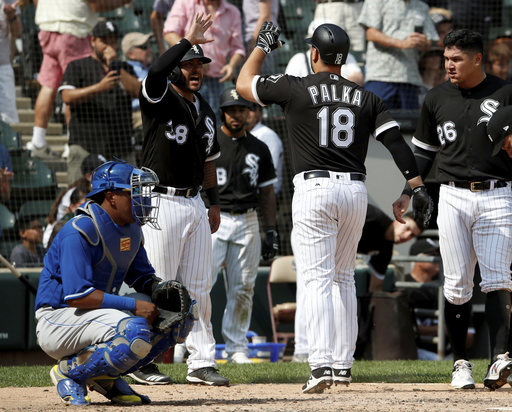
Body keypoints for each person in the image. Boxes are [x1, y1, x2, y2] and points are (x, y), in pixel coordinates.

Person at [237, 21, 433, 393]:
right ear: (343, 57)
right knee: (343, 277)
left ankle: (321, 363)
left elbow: (243, 83)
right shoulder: (366, 96)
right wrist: (414, 186)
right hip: (355, 192)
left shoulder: (296, 85)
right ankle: (342, 363)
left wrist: (263, 45)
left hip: (316, 190)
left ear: (314, 54)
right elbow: (396, 144)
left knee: (316, 278)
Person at [35, 159, 197, 406]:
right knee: (134, 330)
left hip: (95, 317)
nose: (143, 199)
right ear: (111, 197)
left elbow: (141, 277)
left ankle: (105, 376)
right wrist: (134, 307)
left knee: (181, 319)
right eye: (134, 193)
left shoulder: (131, 229)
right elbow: (77, 296)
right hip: (57, 320)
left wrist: (159, 290)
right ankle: (68, 371)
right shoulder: (79, 230)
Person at [407, 28, 512, 390]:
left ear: (477, 59)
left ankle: (500, 359)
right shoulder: (435, 97)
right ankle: (460, 363)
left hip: (498, 193)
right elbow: (423, 150)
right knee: (456, 286)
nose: (448, 65)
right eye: (446, 58)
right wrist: (411, 191)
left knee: (498, 279)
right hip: (451, 195)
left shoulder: (506, 92)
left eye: (457, 59)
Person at [137, 13, 229, 386]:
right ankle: (140, 359)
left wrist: (214, 201)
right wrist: (186, 42)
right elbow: (156, 70)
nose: (196, 70)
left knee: (199, 288)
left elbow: (209, 161)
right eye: (189, 64)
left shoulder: (204, 109)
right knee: (157, 285)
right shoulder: (159, 96)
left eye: (199, 65)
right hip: (160, 201)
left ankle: (201, 361)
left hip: (193, 203)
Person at [291, 205, 424, 362]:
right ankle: (302, 351)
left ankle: (328, 351)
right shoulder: (373, 216)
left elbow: (375, 288)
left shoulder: (385, 249)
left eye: (412, 235)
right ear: (398, 220)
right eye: (407, 228)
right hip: (314, 232)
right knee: (309, 288)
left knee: (334, 294)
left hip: (332, 248)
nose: (406, 235)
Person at [206, 87, 278, 364]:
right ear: (222, 112)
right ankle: (191, 343)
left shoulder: (259, 147)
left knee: (244, 287)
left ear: (249, 112)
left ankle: (237, 347)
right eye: (231, 110)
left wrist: (269, 230)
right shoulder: (211, 144)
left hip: (248, 219)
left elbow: (267, 193)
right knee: (202, 284)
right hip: (216, 217)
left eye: (241, 110)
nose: (236, 115)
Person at [30, 0, 131, 160]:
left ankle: (38, 141)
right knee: (73, 85)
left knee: (48, 86)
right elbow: (96, 5)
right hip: (72, 31)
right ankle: (73, 144)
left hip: (47, 30)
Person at [58, 20, 140, 184]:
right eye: (104, 40)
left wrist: (114, 66)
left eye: (113, 40)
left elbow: (139, 92)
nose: (109, 45)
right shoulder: (78, 66)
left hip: (121, 148)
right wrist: (99, 87)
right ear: (93, 40)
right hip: (85, 147)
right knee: (82, 199)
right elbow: (66, 96)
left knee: (129, 201)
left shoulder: (125, 69)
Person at [163, 0, 246, 119]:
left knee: (211, 122)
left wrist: (231, 65)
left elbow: (238, 48)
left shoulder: (232, 12)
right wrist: (195, 57)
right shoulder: (184, 3)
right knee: (184, 119)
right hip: (184, 78)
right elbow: (170, 33)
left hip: (216, 83)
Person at [358, 0, 439, 110]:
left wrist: (423, 43)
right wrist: (401, 43)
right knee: (375, 121)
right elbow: (371, 33)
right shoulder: (376, 1)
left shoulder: (422, 6)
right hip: (380, 75)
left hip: (409, 78)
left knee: (409, 124)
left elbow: (430, 41)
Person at [43, 153, 105, 248]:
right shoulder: (75, 192)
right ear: (88, 176)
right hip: (54, 238)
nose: (106, 175)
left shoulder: (98, 193)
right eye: (101, 172)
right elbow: (71, 217)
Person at [285, 18, 364, 87]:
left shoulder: (343, 55)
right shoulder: (299, 59)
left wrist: (338, 89)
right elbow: (290, 85)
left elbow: (358, 77)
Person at [244, 103, 283, 195]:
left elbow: (271, 169)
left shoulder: (266, 134)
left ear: (260, 113)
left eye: (252, 109)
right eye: (244, 109)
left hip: (266, 194)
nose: (248, 112)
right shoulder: (243, 135)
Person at [122, 31, 154, 131]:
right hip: (138, 113)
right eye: (144, 47)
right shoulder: (125, 70)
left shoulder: (156, 67)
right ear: (130, 53)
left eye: (149, 46)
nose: (149, 50)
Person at [242, 0, 279, 75]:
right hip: (255, 38)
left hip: (260, 39)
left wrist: (255, 42)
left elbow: (265, 16)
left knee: (261, 81)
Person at [0, 0, 21, 125]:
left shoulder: (9, 1)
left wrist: (12, 18)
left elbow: (17, 33)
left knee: (8, 121)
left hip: (3, 67)